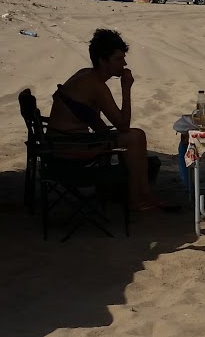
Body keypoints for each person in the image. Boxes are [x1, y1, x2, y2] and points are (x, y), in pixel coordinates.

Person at [47, 28, 174, 212]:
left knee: (136, 135)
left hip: (58, 143)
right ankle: (138, 198)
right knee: (134, 137)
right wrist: (126, 88)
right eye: (118, 59)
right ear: (102, 60)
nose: (124, 63)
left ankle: (143, 195)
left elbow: (90, 117)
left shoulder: (85, 74)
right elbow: (123, 125)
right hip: (70, 148)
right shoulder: (96, 85)